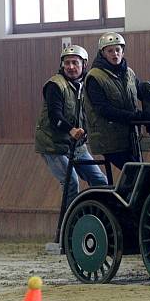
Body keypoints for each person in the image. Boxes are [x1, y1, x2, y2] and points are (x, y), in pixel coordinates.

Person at [35, 45, 109, 232]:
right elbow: (54, 116)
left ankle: (99, 221)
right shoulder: (55, 85)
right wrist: (71, 130)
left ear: (83, 65)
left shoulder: (87, 85)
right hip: (53, 144)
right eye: (67, 63)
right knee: (71, 183)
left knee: (100, 180)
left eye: (75, 63)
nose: (71, 67)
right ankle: (70, 229)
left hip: (77, 145)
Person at [84, 32, 143, 171]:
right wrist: (135, 116)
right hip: (109, 140)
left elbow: (141, 93)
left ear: (123, 51)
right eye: (110, 51)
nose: (115, 54)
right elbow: (103, 109)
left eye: (118, 50)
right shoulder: (95, 76)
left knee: (139, 175)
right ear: (102, 53)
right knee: (137, 173)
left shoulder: (129, 73)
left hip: (130, 136)